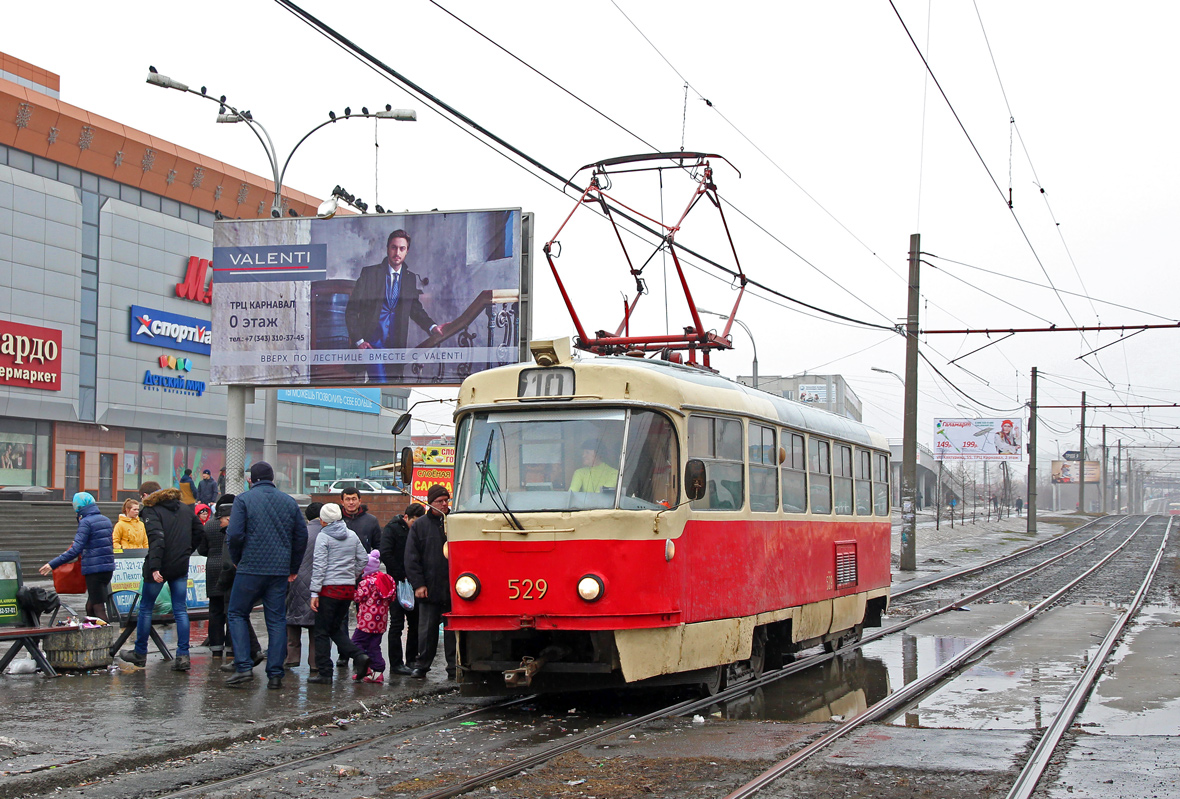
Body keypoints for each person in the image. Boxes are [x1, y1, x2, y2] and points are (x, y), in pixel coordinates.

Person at [224, 461, 307, 689]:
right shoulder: (289, 502)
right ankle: (276, 674)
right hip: (279, 570)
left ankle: (243, 667)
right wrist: (293, 567)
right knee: (276, 619)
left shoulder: (243, 500)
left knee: (237, 613)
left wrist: (237, 559)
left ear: (250, 479)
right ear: (273, 479)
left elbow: (235, 534)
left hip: (250, 567)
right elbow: (301, 536)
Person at [120, 482, 203, 670]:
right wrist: (186, 551)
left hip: (160, 565)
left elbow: (157, 538)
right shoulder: (184, 508)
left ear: (146, 495)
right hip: (180, 565)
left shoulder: (151, 510)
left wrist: (155, 567)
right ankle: (183, 655)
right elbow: (199, 531)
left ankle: (140, 653)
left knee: (146, 608)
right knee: (180, 610)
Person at [344, 229, 443, 382]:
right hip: (372, 344)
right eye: (394, 247)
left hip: (395, 346)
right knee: (380, 382)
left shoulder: (409, 279)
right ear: (387, 249)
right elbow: (351, 310)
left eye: (402, 248)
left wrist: (432, 327)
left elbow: (415, 309)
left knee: (390, 386)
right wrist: (359, 341)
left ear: (407, 251)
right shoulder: (369, 274)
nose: (397, 252)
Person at [307, 503, 370, 685]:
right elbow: (363, 559)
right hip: (347, 589)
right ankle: (358, 655)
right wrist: (352, 575)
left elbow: (319, 566)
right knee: (334, 628)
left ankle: (325, 672)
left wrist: (314, 592)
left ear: (323, 521)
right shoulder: (351, 535)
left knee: (321, 632)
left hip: (328, 590)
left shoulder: (323, 536)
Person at [405, 484, 455, 679]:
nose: (444, 504)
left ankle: (454, 666)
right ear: (430, 503)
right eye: (439, 501)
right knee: (427, 631)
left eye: (446, 500)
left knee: (453, 630)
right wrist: (418, 584)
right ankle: (422, 665)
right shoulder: (420, 525)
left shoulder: (455, 522)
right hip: (430, 586)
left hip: (453, 587)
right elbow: (411, 557)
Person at [40, 492, 114, 622]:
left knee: (98, 608)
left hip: (94, 570)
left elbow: (75, 550)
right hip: (107, 568)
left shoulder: (86, 522)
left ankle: (107, 633)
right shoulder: (105, 520)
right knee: (90, 606)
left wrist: (52, 564)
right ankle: (94, 632)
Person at [378, 502, 424, 675]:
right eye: (414, 522)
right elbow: (385, 553)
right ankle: (396, 663)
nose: (415, 526)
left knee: (415, 623)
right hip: (397, 583)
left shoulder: (418, 530)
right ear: (406, 517)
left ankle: (412, 659)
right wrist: (400, 574)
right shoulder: (392, 529)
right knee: (397, 624)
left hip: (415, 582)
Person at [286, 502, 323, 672]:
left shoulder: (300, 533)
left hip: (296, 580)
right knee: (316, 625)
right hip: (319, 583)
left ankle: (291, 657)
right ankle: (315, 663)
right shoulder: (326, 534)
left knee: (292, 619)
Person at [351, 550, 397, 683]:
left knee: (356, 643)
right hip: (381, 621)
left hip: (366, 621)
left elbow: (358, 597)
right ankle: (377, 672)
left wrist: (351, 590)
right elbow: (392, 597)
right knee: (374, 645)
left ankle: (365, 666)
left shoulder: (366, 582)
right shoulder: (386, 579)